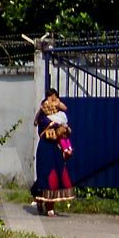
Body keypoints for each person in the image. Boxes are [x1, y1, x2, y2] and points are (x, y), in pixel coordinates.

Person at [31, 87, 74, 216]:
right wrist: (56, 126)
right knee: (45, 175)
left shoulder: (61, 116)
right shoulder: (42, 116)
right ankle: (41, 200)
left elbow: (65, 129)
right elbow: (45, 125)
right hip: (45, 148)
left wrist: (64, 130)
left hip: (56, 148)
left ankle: (51, 205)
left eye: (55, 98)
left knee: (57, 174)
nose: (53, 101)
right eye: (51, 98)